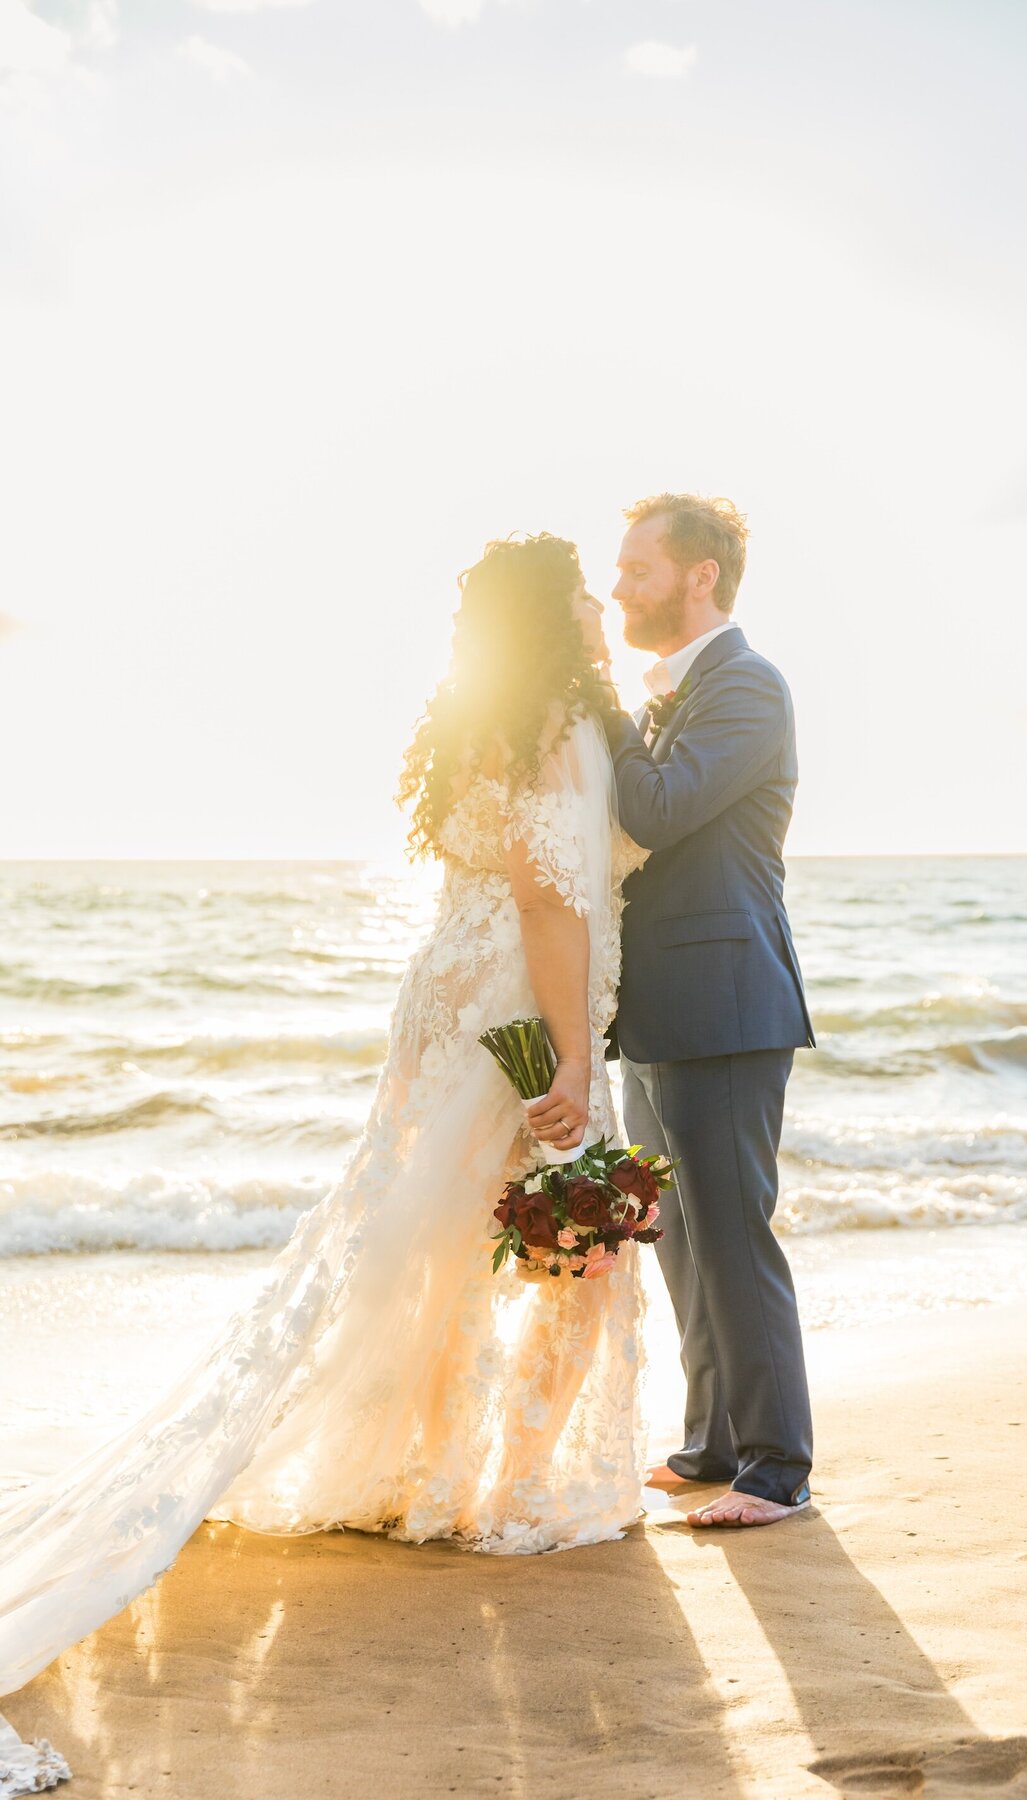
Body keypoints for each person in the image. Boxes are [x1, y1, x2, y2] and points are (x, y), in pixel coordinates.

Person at [0, 534, 648, 1791]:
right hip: (518, 1018)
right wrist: (571, 1061)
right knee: (576, 1254)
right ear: (550, 614)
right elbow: (550, 898)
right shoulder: (561, 724)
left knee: (436, 1246)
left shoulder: (491, 719)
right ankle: (506, 1493)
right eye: (579, 586)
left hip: (443, 1011)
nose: (595, 599)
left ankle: (440, 1475)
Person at [602, 493, 817, 1529]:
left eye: (638, 570)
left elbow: (658, 805)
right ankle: (712, 1443)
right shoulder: (666, 699)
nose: (618, 588)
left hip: (727, 1005)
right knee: (678, 1234)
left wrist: (594, 698)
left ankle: (777, 1468)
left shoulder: (749, 688)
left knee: (733, 1234)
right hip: (654, 1010)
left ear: (700, 578)